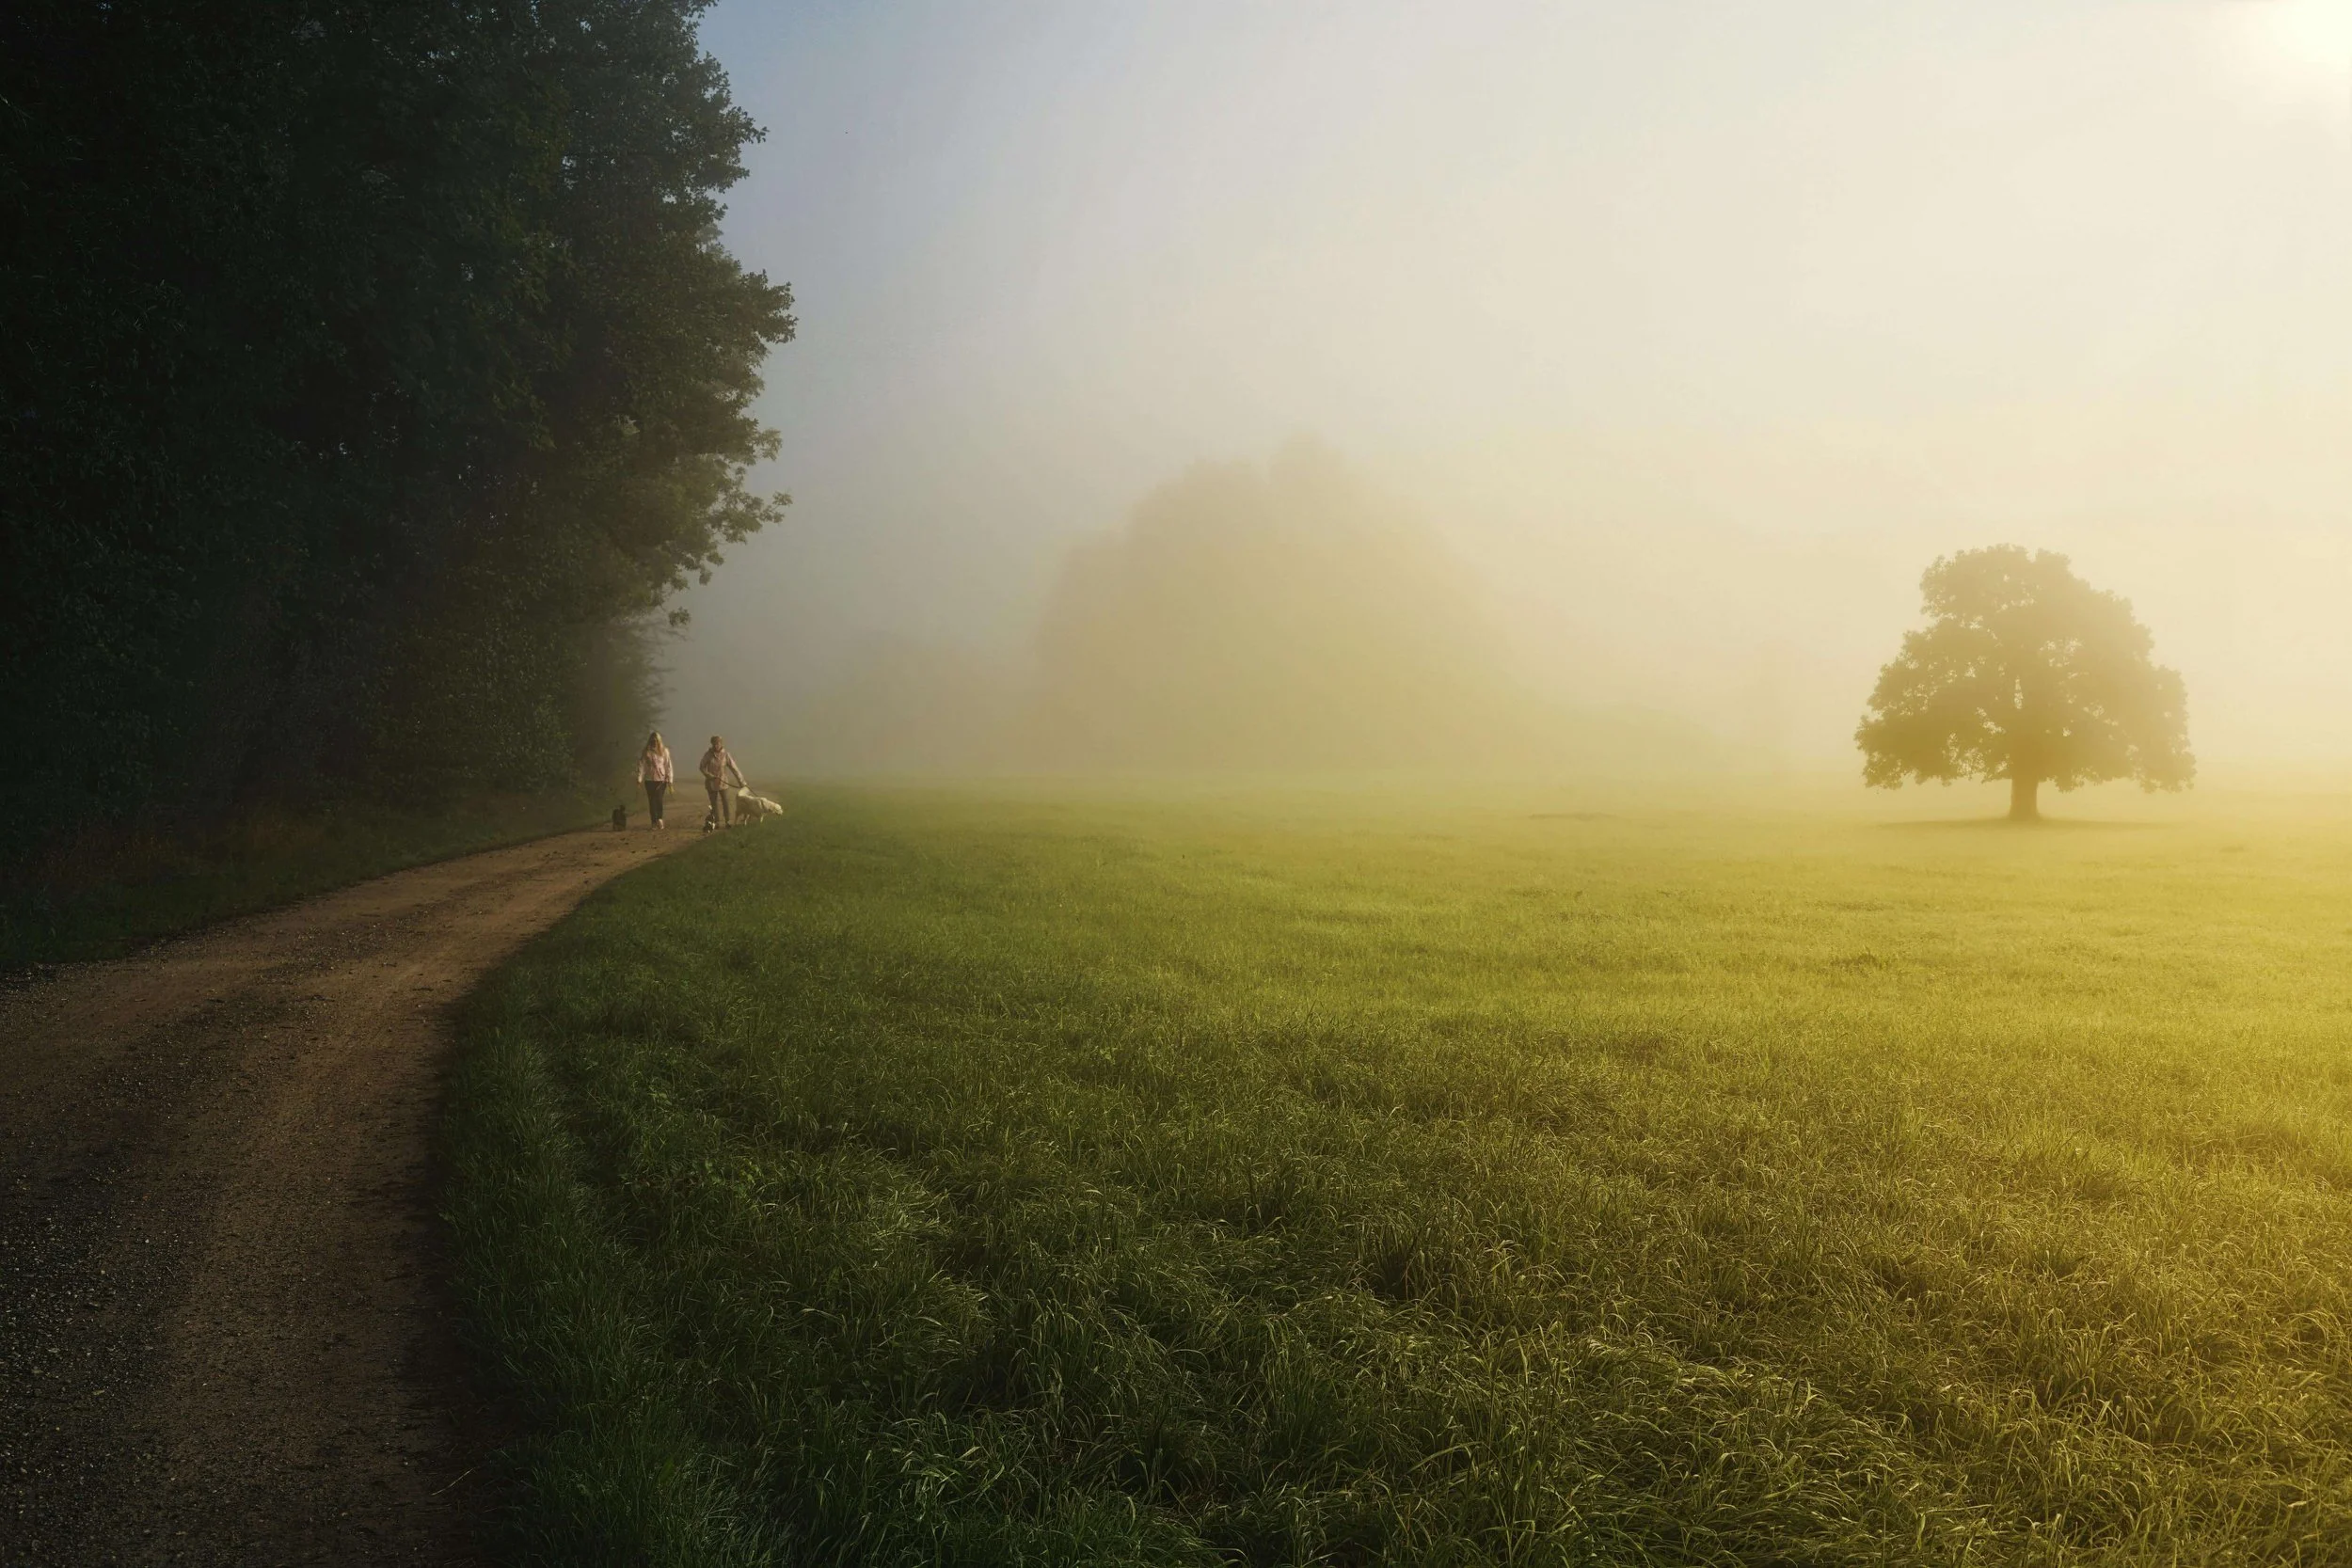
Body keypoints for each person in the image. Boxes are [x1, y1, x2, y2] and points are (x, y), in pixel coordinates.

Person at [699, 735, 746, 828]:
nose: (716, 745)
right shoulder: (708, 754)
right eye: (714, 744)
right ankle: (716, 822)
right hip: (711, 783)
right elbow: (702, 767)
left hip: (723, 782)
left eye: (718, 743)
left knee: (725, 801)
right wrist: (709, 776)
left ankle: (728, 821)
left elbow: (734, 768)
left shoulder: (726, 755)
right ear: (712, 744)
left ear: (721, 743)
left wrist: (741, 782)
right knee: (714, 803)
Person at [638, 732, 673, 829]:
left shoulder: (664, 751)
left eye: (656, 741)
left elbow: (668, 765)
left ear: (659, 741)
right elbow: (642, 765)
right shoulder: (646, 752)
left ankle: (659, 819)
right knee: (652, 801)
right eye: (653, 740)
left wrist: (669, 779)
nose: (654, 742)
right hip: (649, 779)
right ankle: (653, 821)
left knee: (659, 799)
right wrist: (639, 778)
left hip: (661, 780)